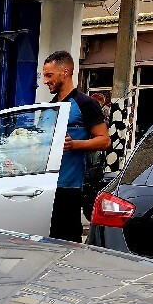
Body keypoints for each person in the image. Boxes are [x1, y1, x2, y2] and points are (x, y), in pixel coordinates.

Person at [40, 50, 110, 242]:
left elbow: (104, 140)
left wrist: (75, 144)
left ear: (65, 72)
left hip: (68, 187)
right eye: (44, 75)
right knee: (43, 242)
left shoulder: (85, 103)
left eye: (49, 75)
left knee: (66, 243)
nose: (45, 81)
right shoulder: (50, 108)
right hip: (44, 187)